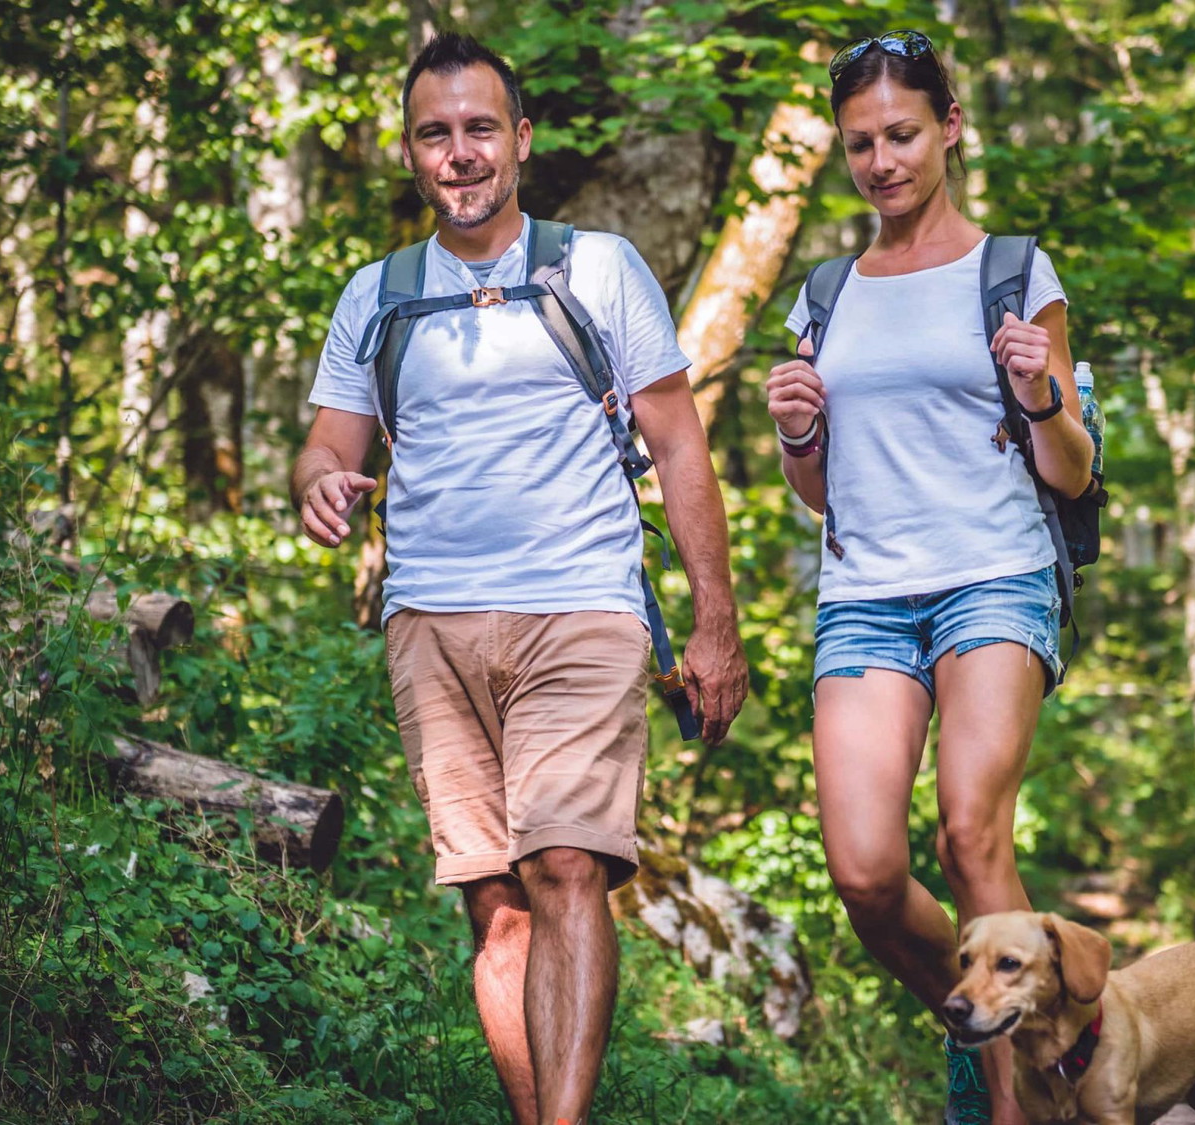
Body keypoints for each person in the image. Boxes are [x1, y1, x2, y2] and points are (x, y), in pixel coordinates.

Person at [292, 33, 748, 1125]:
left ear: (520, 140)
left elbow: (679, 444)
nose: (459, 154)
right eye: (435, 133)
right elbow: (328, 443)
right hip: (431, 623)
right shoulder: (377, 293)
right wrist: (319, 485)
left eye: (479, 129)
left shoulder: (597, 267)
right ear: (409, 152)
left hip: (579, 605)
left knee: (565, 868)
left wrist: (713, 624)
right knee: (495, 908)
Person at [764, 29, 1095, 1125]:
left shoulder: (1012, 271)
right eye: (859, 145)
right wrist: (796, 435)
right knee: (862, 871)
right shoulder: (824, 292)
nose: (882, 162)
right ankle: (985, 1024)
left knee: (967, 832)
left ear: (948, 129)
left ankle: (1014, 1109)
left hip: (991, 576)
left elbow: (1072, 467)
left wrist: (1039, 394)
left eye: (902, 135)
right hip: (863, 593)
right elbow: (819, 493)